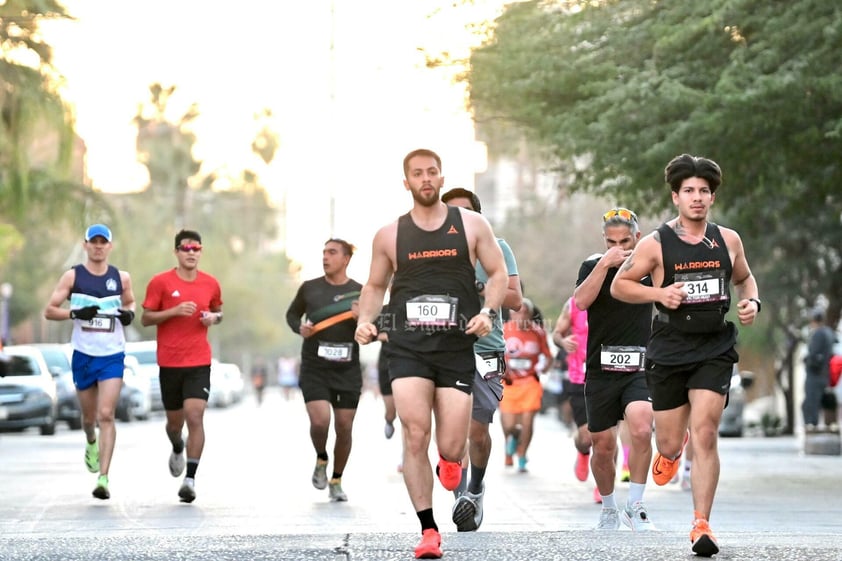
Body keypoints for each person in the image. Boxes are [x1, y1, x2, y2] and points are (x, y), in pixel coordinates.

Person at [354, 148, 507, 560]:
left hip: (456, 346)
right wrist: (365, 321)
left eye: (432, 172)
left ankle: (451, 462)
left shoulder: (471, 225)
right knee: (414, 430)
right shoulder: (390, 234)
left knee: (452, 445)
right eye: (417, 174)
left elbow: (498, 273)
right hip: (408, 347)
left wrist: (489, 312)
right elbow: (373, 286)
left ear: (441, 178)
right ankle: (428, 530)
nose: (425, 179)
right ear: (406, 182)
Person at [611, 154, 760, 557]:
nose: (697, 198)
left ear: (712, 198)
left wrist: (752, 303)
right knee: (672, 442)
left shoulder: (728, 240)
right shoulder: (655, 244)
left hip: (714, 346)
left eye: (704, 192)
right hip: (670, 348)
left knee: (707, 432)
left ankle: (701, 524)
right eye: (689, 191)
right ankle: (671, 453)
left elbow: (745, 279)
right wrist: (659, 293)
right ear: (676, 197)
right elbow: (621, 286)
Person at [441, 187, 523, 532]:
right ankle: (461, 497)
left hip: (484, 349)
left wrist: (477, 289)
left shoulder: (497, 248)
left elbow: (516, 299)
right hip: (442, 349)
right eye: (451, 213)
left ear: (479, 218)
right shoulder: (432, 252)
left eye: (466, 213)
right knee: (451, 432)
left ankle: (475, 488)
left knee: (477, 431)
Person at [572, 207, 656, 532]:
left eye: (625, 241)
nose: (619, 247)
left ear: (637, 237)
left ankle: (636, 505)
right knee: (603, 445)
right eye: (611, 242)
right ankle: (609, 508)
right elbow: (580, 302)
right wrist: (605, 264)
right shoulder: (593, 265)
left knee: (639, 426)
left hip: (639, 367)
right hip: (600, 369)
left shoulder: (649, 268)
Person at [44, 224, 136, 500]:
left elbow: (130, 303)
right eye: (93, 242)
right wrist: (75, 313)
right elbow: (49, 310)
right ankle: (90, 441)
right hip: (84, 354)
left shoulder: (121, 278)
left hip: (112, 355)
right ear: (85, 245)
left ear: (110, 246)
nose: (98, 246)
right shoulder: (73, 277)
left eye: (103, 242)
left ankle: (103, 478)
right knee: (89, 418)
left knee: (106, 414)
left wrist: (128, 314)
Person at [140, 229, 223, 504]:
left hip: (199, 360)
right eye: (186, 248)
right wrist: (173, 312)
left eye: (196, 248)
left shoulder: (210, 283)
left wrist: (213, 318)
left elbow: (218, 312)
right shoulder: (161, 282)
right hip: (170, 362)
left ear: (201, 252)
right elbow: (146, 318)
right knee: (174, 424)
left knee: (195, 415)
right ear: (176, 251)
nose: (191, 253)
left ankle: (190, 479)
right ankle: (177, 445)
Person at [285, 238, 363, 503]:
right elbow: (292, 316)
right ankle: (321, 457)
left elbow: (374, 331)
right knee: (320, 422)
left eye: (332, 253)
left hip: (347, 370)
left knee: (344, 427)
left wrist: (362, 319)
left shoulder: (361, 293)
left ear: (346, 259)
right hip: (315, 367)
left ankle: (337, 479)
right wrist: (300, 328)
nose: (326, 257)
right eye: (324, 252)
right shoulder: (309, 288)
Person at [500, 297, 552, 473]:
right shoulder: (503, 331)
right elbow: (493, 354)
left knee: (528, 422)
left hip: (530, 382)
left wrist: (545, 366)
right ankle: (512, 439)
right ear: (511, 314)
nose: (520, 315)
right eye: (517, 312)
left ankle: (522, 455)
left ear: (530, 314)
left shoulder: (538, 332)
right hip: (509, 383)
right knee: (509, 426)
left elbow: (548, 356)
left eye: (524, 312)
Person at [552, 295, 592, 487]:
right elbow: (557, 333)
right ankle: (583, 452)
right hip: (579, 377)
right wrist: (563, 341)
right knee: (585, 437)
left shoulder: (619, 295)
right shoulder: (574, 303)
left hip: (609, 376)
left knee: (607, 436)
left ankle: (604, 487)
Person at [802, 308, 836, 431]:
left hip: (814, 374)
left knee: (810, 404)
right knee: (820, 403)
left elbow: (814, 356)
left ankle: (812, 430)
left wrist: (806, 360)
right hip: (825, 374)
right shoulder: (829, 333)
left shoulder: (818, 334)